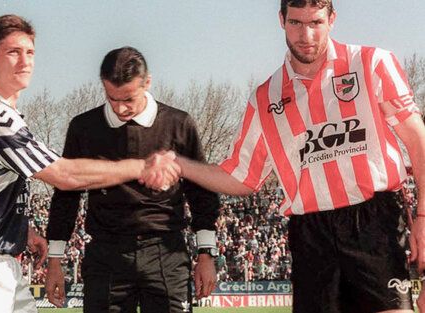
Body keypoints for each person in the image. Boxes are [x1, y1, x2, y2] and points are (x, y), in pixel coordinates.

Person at [155, 0, 425, 312]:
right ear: (282, 20)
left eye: (316, 23)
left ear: (332, 19)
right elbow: (240, 177)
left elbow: (418, 141)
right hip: (311, 233)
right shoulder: (266, 97)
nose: (306, 35)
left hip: (374, 221)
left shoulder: (371, 64)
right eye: (296, 23)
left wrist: (422, 217)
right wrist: (180, 164)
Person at [0, 15, 178, 313]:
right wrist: (141, 167)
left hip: (4, 264)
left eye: (30, 52)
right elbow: (65, 175)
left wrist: (23, 230)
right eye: (13, 52)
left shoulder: (4, 114)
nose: (26, 61)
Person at [44, 47, 220, 313]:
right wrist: (55, 260)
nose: (121, 107)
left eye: (128, 98)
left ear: (147, 82)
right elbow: (66, 196)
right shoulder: (84, 127)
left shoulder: (178, 123)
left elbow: (202, 193)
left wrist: (206, 254)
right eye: (112, 98)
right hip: (106, 254)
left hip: (166, 251)